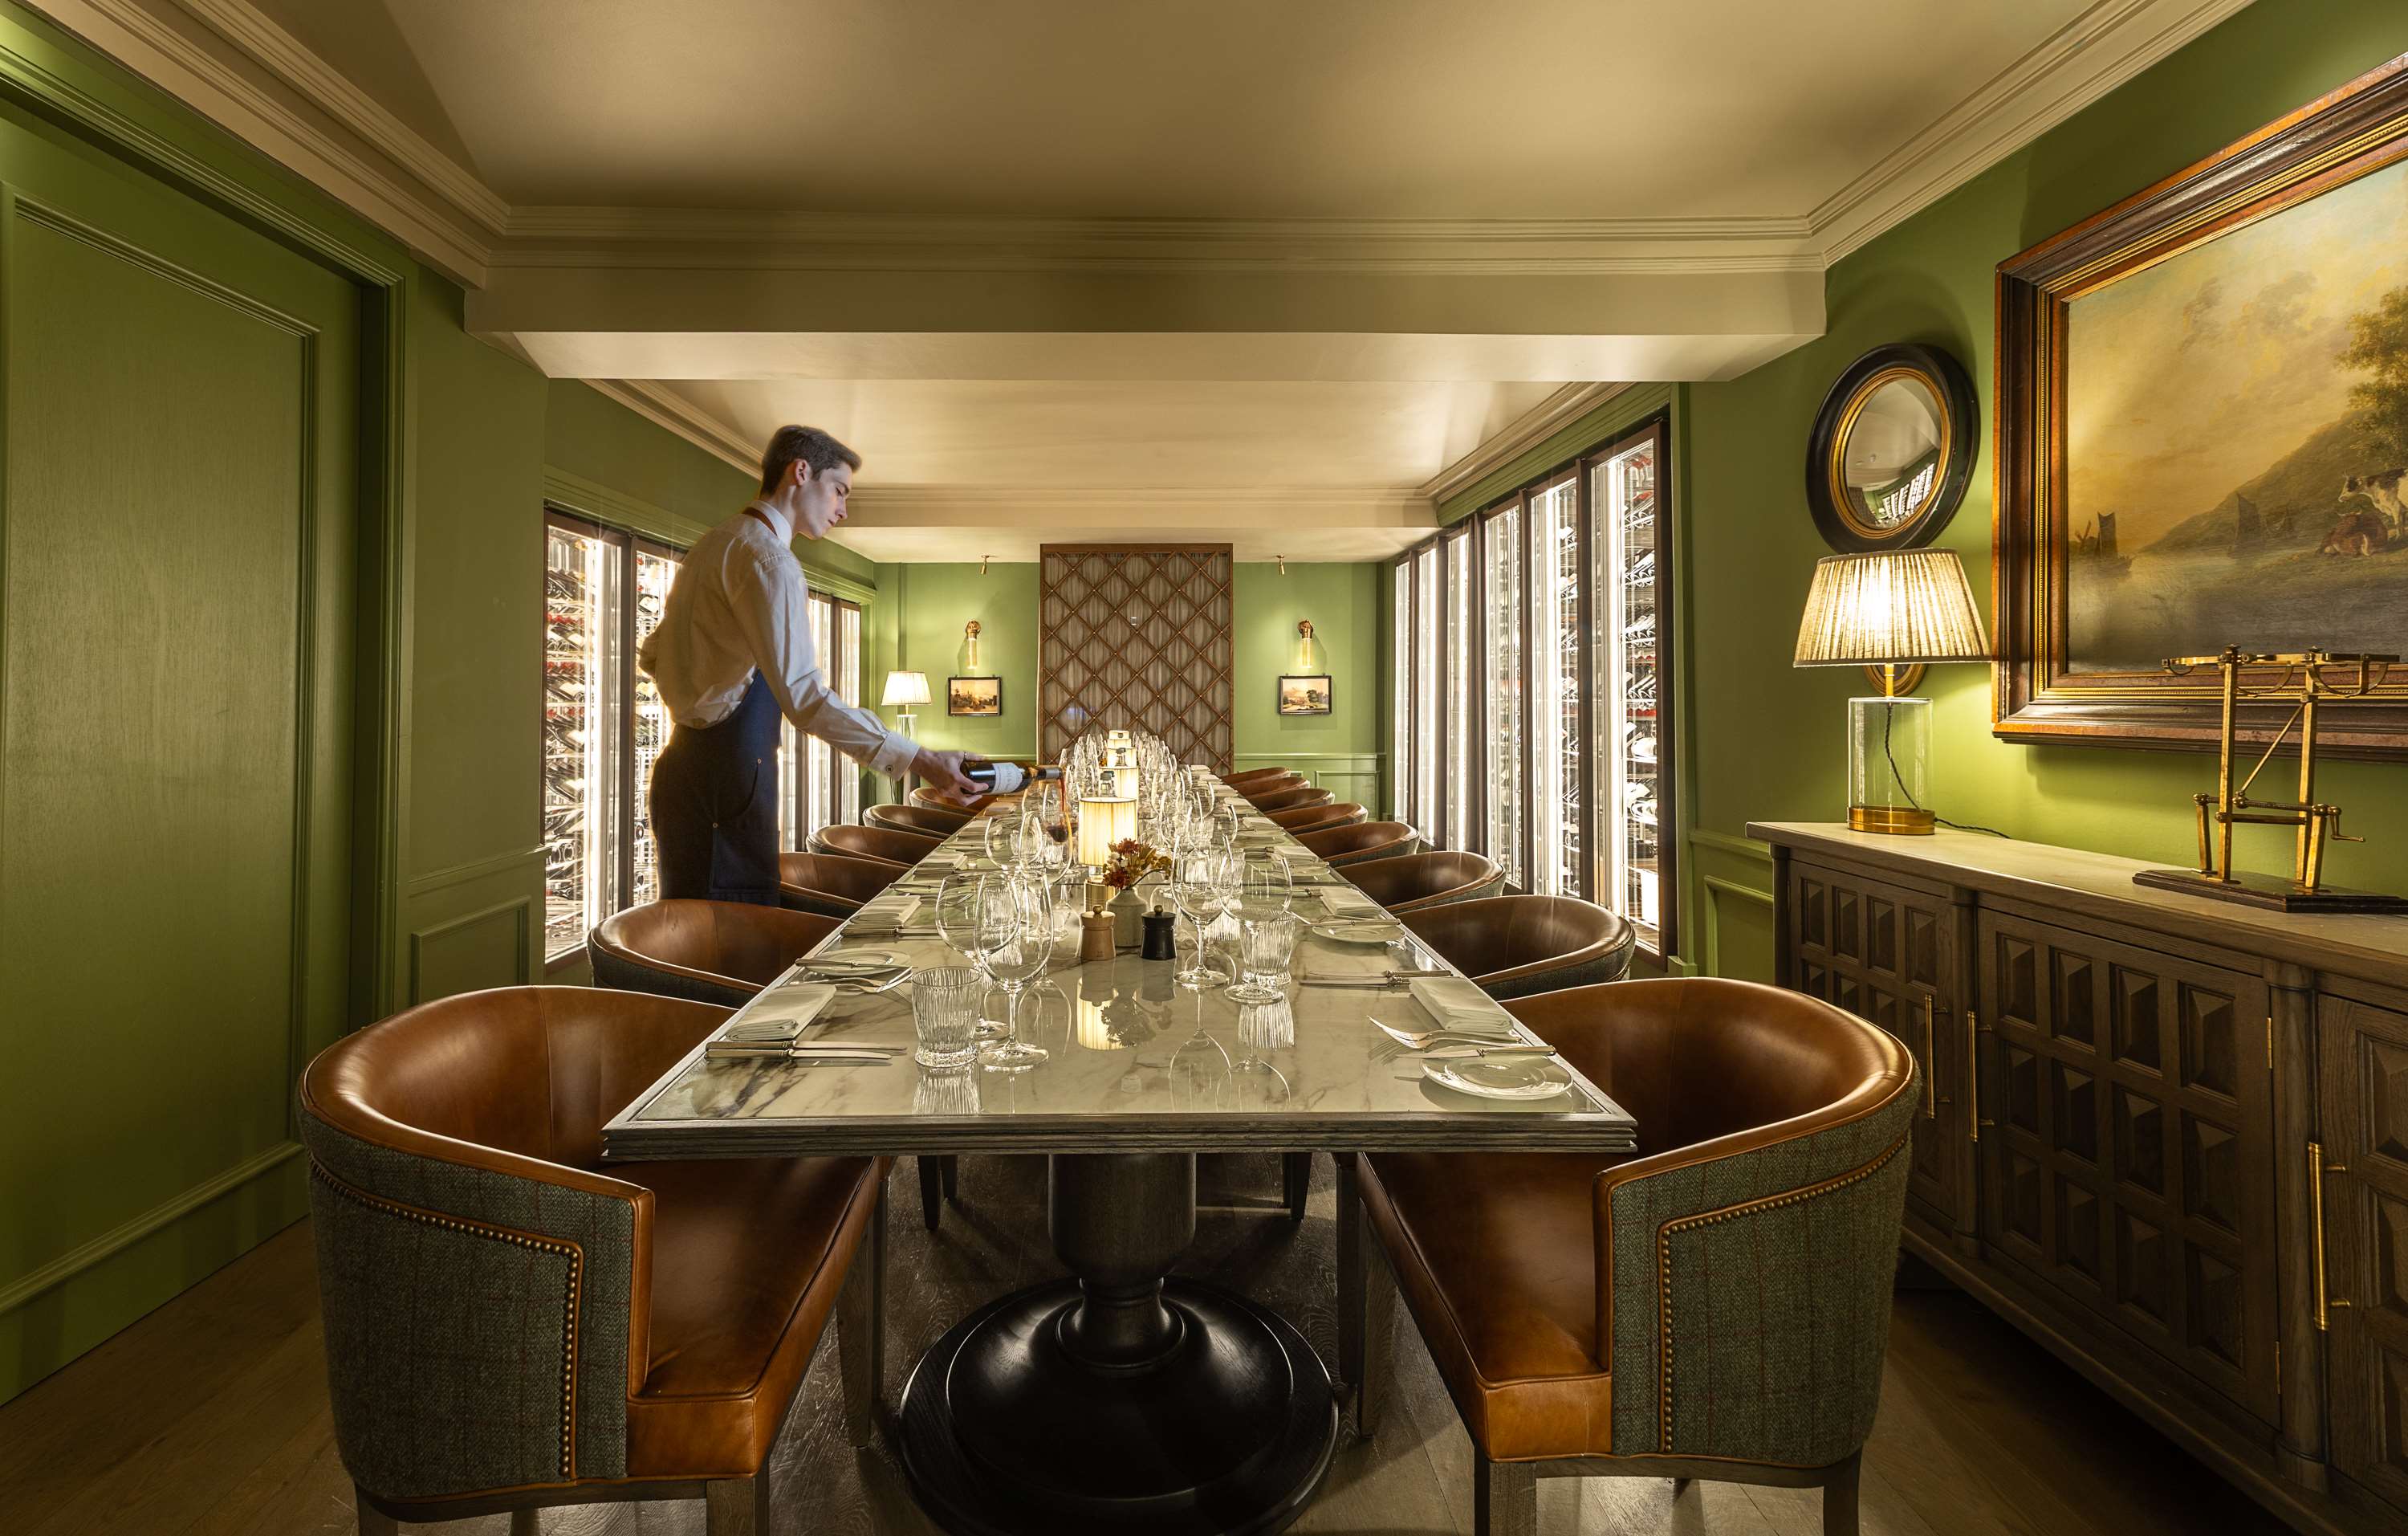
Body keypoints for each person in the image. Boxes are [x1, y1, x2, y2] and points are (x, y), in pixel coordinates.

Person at [639, 425, 980, 903]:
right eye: (840, 490)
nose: (843, 509)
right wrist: (921, 760)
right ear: (801, 472)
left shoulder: (712, 545)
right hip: (730, 782)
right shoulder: (770, 562)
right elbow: (806, 699)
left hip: (682, 770)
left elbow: (652, 654)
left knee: (686, 934)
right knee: (732, 936)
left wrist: (706, 693)